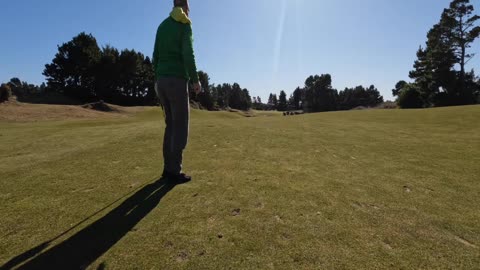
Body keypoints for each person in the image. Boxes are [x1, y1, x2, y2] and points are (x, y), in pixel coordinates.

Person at [153, 0, 201, 183]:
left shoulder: (162, 25)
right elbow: (188, 53)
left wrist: (157, 78)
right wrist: (195, 80)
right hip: (177, 80)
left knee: (170, 126)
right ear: (186, 7)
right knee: (180, 126)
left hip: (161, 81)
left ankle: (167, 169)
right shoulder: (184, 24)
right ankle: (174, 171)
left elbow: (155, 55)